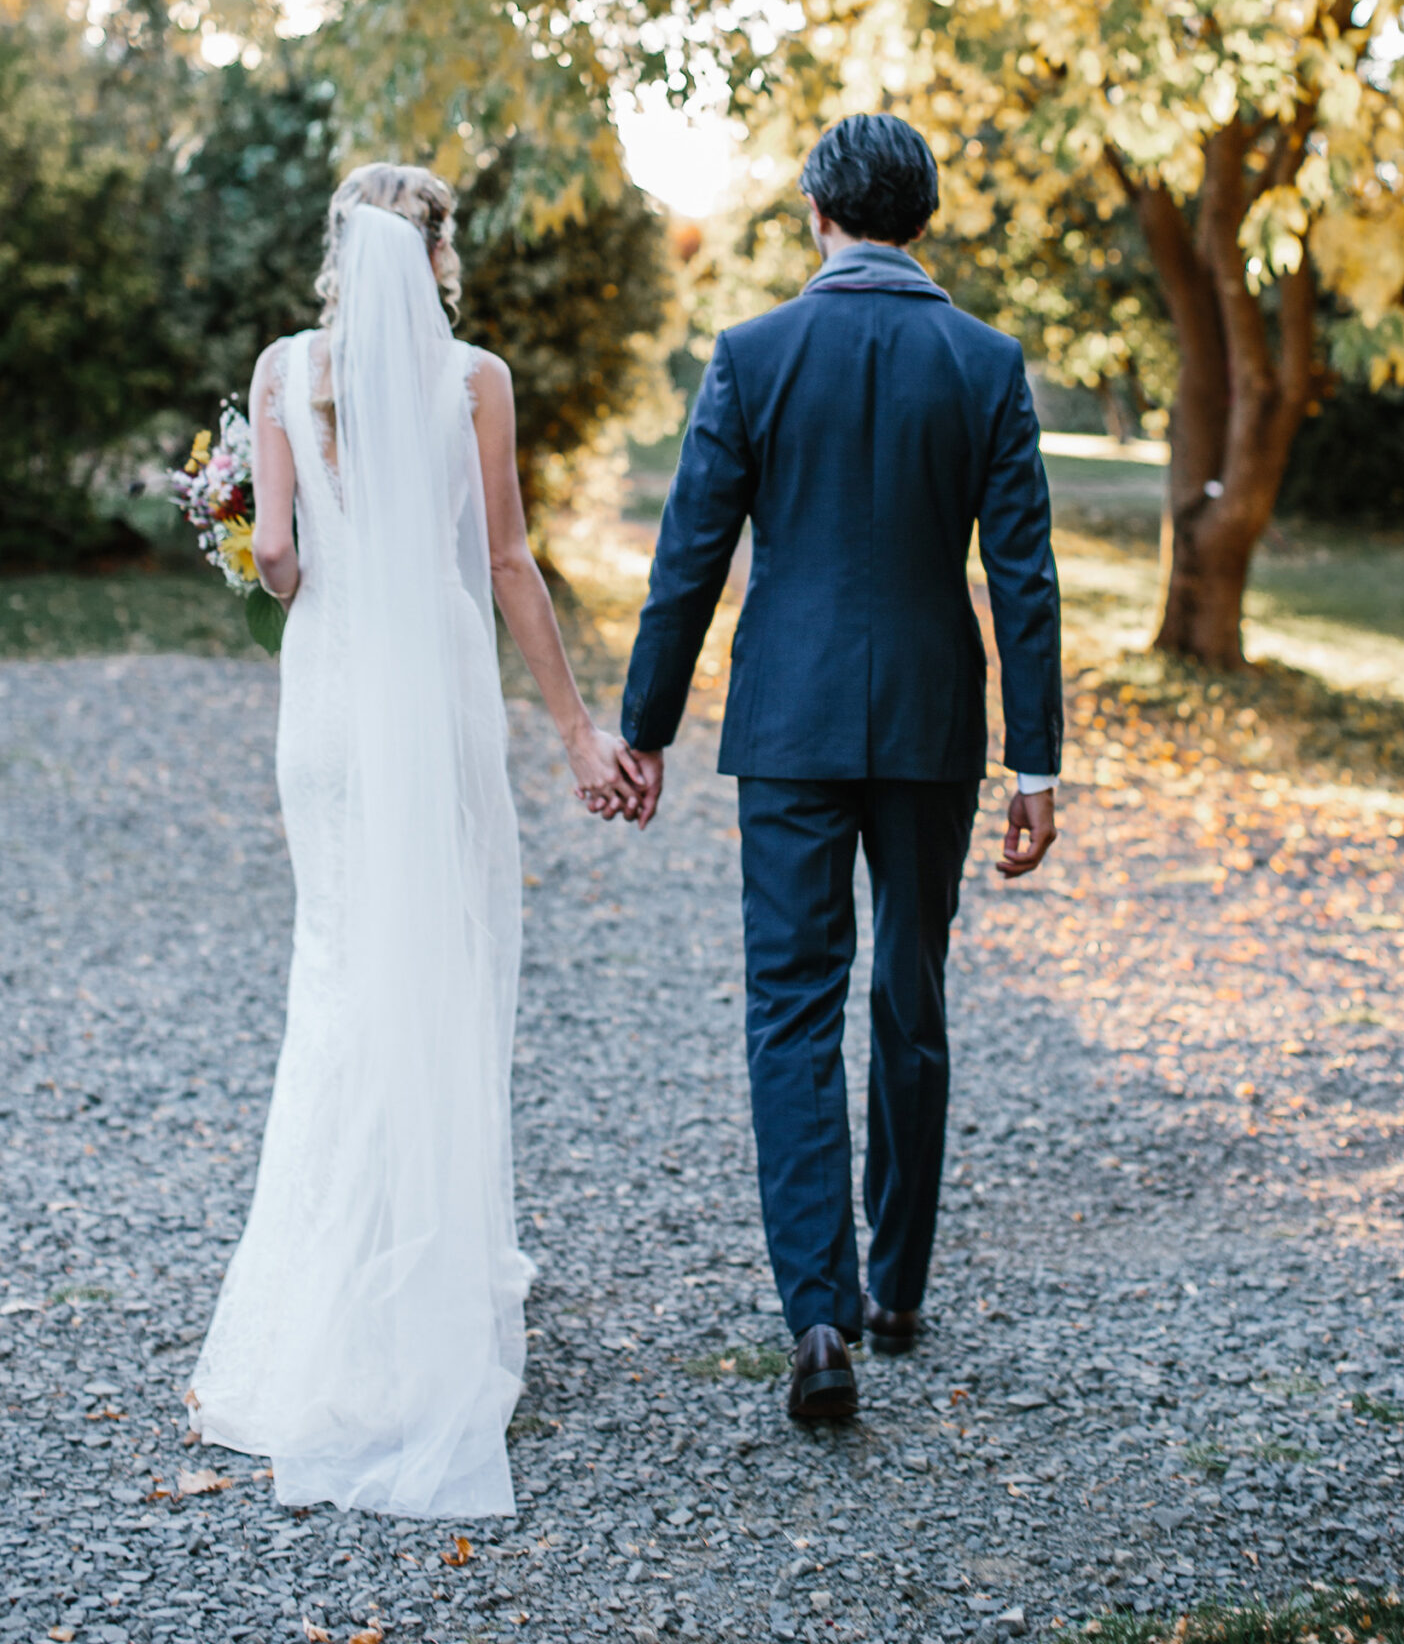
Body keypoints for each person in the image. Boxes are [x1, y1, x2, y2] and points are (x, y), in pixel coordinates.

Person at [188, 163, 641, 1516]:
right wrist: (572, 731)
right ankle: (414, 1300)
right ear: (437, 254)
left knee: (333, 980)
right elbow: (505, 564)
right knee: (433, 977)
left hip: (328, 707)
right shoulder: (474, 381)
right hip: (435, 703)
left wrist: (236, 511)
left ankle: (302, 1324)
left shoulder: (281, 371)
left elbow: (278, 562)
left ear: (339, 254)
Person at [615, 116, 1063, 1421]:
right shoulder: (985, 360)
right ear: (922, 218)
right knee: (909, 994)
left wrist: (644, 730)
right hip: (934, 729)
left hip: (792, 727)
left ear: (818, 209)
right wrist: (1037, 764)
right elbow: (1022, 579)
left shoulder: (754, 355)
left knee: (791, 1009)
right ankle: (898, 1286)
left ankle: (817, 1318)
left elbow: (689, 556)